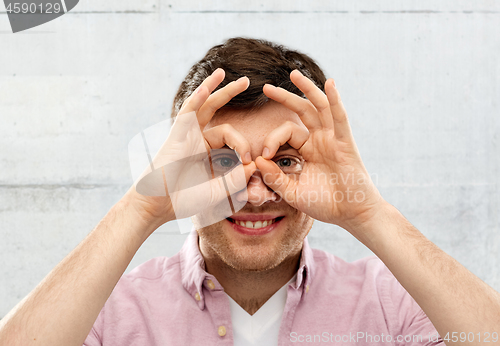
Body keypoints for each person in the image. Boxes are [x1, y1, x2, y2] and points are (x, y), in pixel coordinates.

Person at [0, 37, 499, 346]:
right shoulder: (110, 311)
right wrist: (146, 204)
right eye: (222, 161)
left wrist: (365, 211)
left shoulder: (389, 303)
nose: (255, 194)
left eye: (285, 161)